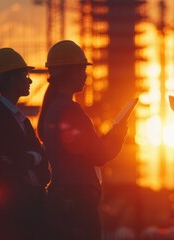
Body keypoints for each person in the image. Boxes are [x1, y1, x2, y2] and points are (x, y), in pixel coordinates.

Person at [37, 40, 128, 240]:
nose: (85, 75)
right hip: (78, 202)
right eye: (81, 69)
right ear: (69, 73)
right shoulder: (70, 110)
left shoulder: (53, 109)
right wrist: (118, 134)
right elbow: (100, 155)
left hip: (62, 199)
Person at [0, 48, 51, 240]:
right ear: (10, 79)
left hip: (25, 211)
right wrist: (33, 159)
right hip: (12, 213)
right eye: (24, 75)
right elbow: (12, 159)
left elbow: (38, 164)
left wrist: (30, 160)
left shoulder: (21, 121)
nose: (29, 80)